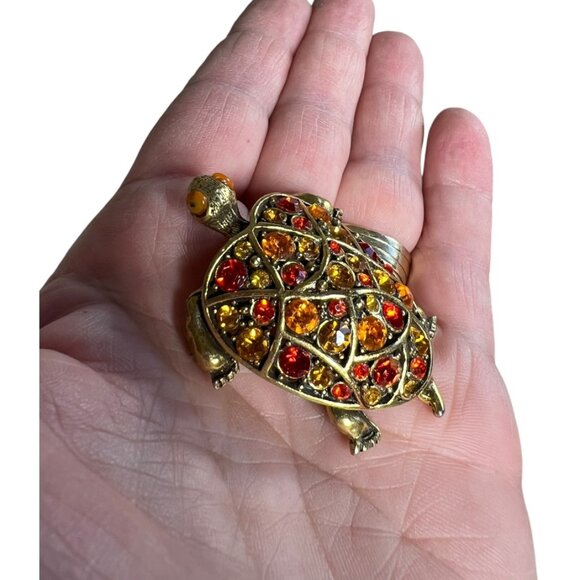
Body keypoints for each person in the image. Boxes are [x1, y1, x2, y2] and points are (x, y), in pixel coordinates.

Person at [40, 0, 536, 577]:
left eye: (211, 195)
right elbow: (322, 223)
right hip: (374, 324)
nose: (215, 201)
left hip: (365, 328)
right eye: (211, 200)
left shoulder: (225, 286)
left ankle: (358, 413)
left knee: (320, 349)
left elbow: (311, 237)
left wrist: (217, 359)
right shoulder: (265, 237)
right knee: (330, 337)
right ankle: (363, 404)